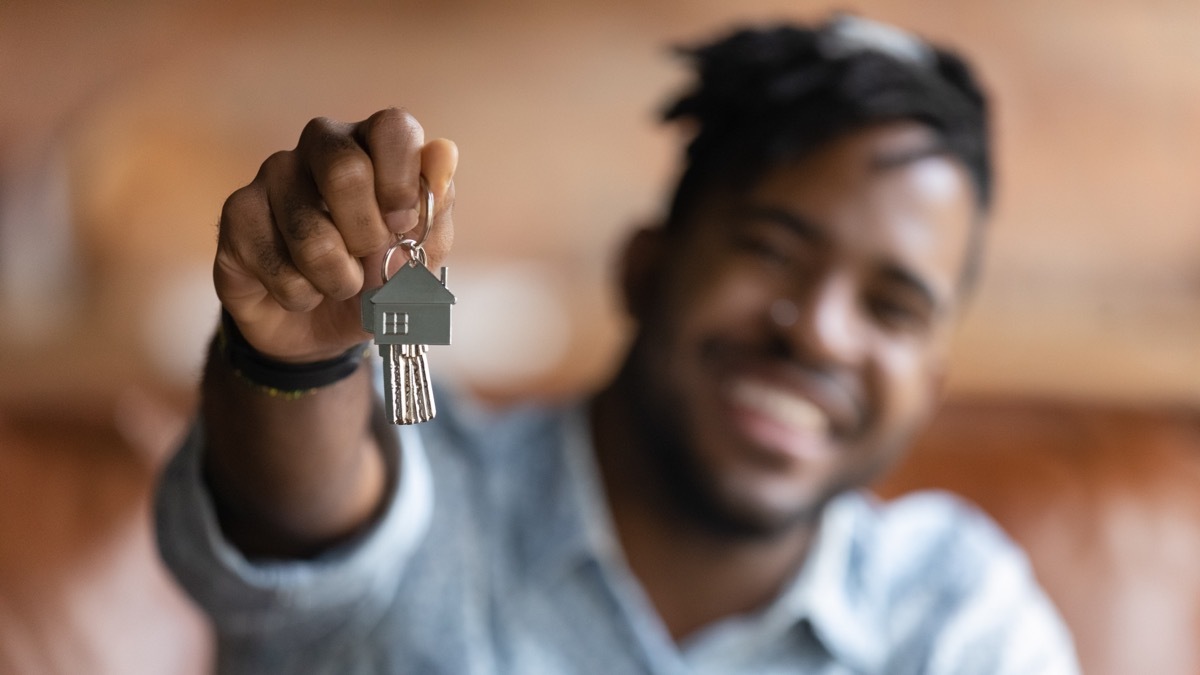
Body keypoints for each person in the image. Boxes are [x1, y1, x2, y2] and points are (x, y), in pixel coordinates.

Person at [156, 14, 1080, 674]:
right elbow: (309, 515)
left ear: (931, 379)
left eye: (893, 307)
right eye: (770, 252)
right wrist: (298, 359)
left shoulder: (956, 613)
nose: (822, 334)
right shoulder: (440, 498)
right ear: (644, 267)